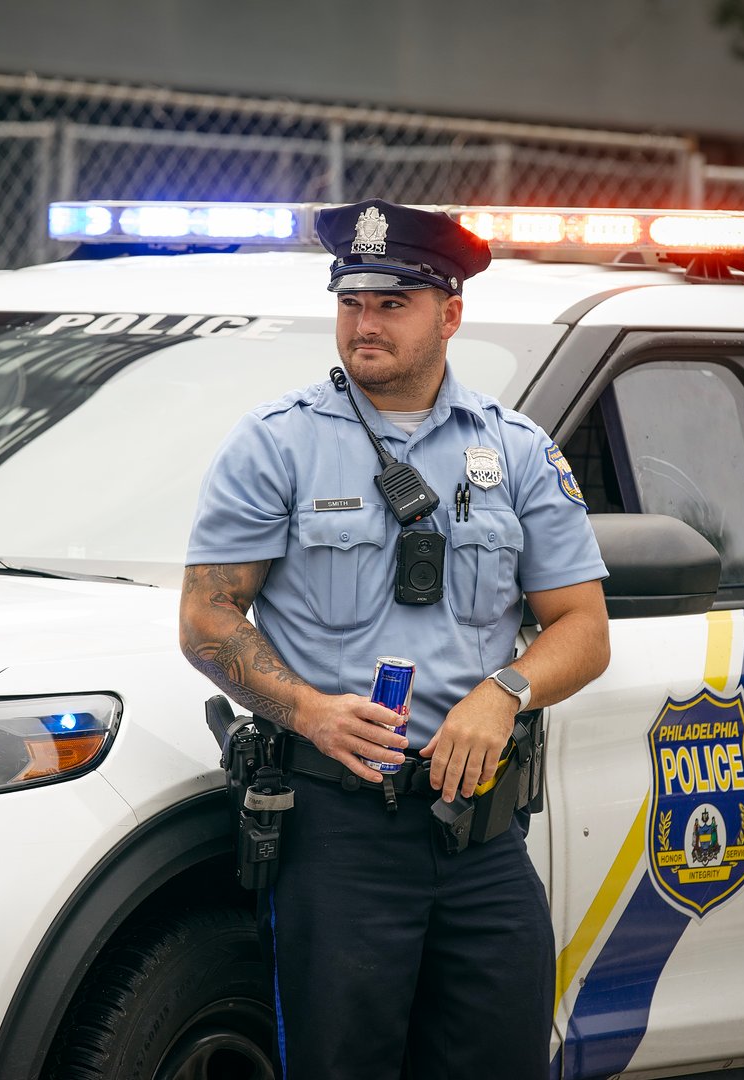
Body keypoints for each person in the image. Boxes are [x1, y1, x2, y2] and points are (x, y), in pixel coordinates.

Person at [178, 198, 611, 1079]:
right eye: (351, 303)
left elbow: (583, 627)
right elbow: (206, 617)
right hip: (339, 833)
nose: (364, 325)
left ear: (449, 314)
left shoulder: (516, 451)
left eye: (392, 303)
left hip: (481, 836)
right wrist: (308, 713)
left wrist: (505, 692)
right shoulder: (278, 445)